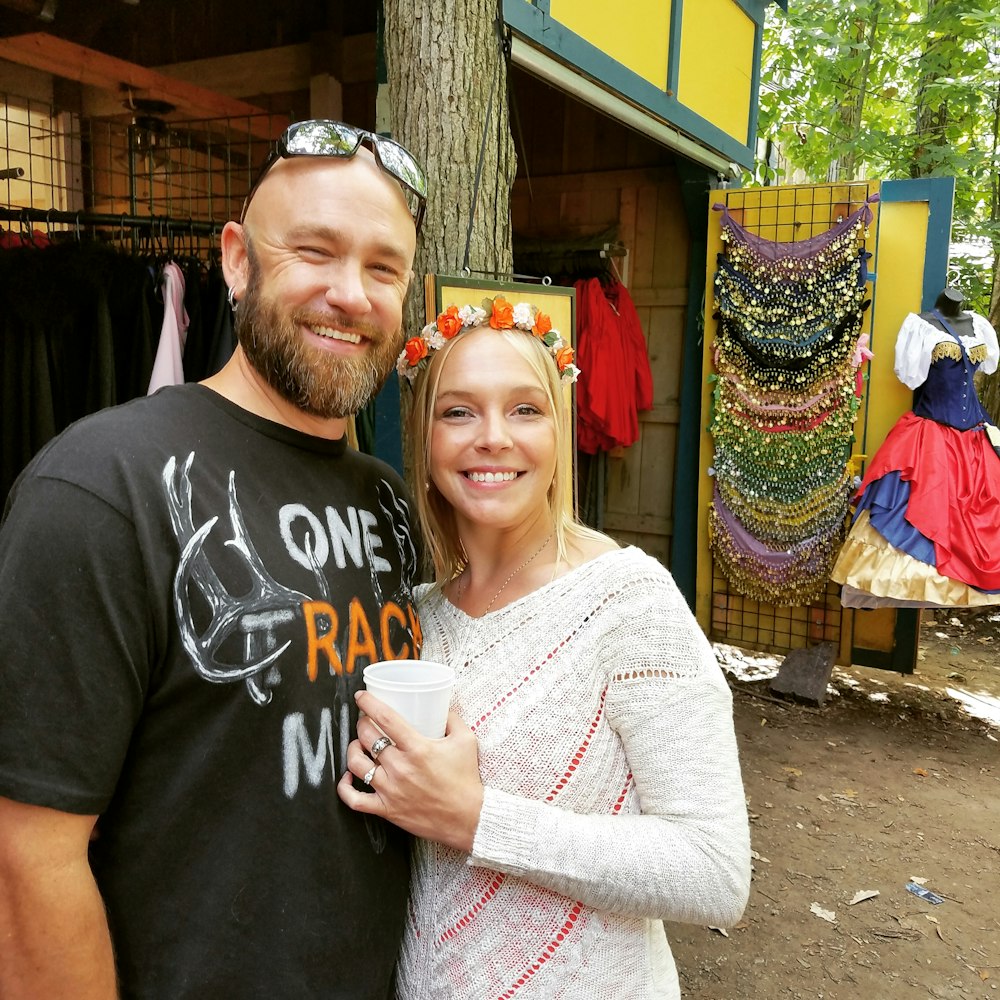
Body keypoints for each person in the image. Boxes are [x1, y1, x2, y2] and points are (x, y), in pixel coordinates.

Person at [0, 120, 427, 999]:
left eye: (383, 268)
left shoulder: (389, 500)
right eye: (316, 251)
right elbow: (27, 860)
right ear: (236, 260)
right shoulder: (100, 488)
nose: (351, 294)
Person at [337, 296, 751, 999]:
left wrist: (476, 819)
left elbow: (714, 871)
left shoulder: (629, 603)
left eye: (525, 409)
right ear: (424, 439)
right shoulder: (417, 618)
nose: (492, 437)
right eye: (458, 411)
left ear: (559, 432)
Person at [832, 286, 1000, 607]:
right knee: (924, 510)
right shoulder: (921, 325)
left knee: (981, 514)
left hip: (974, 436)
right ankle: (907, 584)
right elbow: (911, 377)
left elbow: (987, 366)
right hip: (931, 436)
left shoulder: (979, 326)